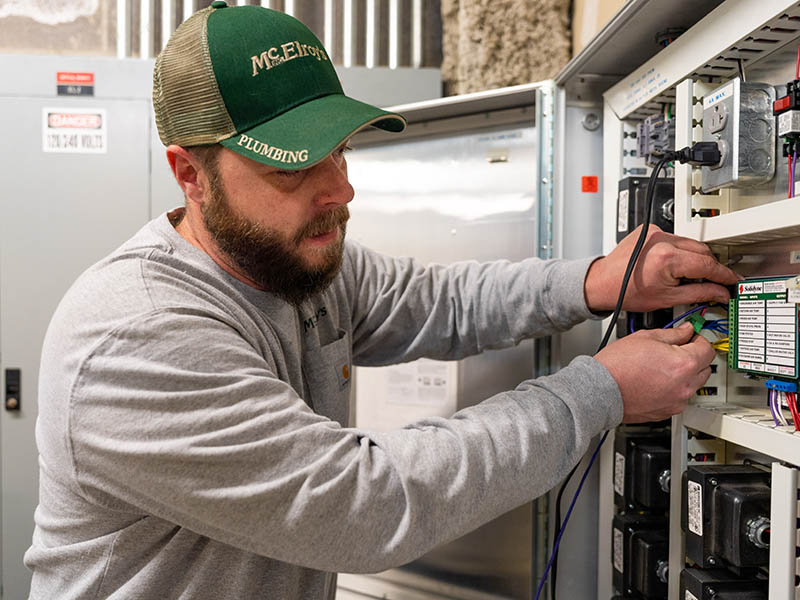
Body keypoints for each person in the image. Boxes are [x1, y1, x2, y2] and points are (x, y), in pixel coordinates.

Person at [24, 3, 738, 599]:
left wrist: (592, 281)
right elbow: (366, 507)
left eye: (340, 148)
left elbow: (437, 301)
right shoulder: (137, 334)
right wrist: (601, 389)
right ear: (190, 173)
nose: (338, 189)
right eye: (294, 164)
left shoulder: (292, 262)